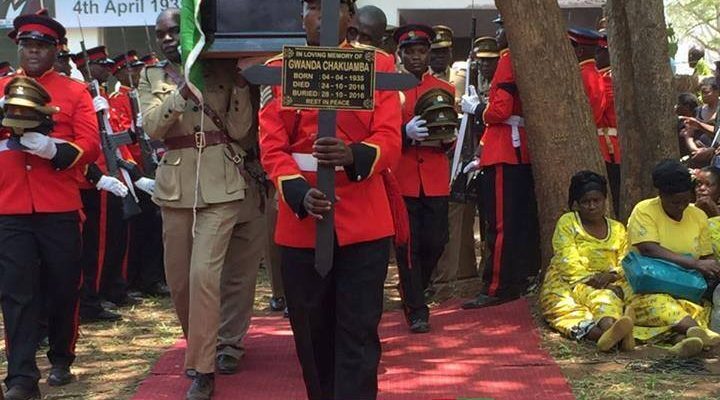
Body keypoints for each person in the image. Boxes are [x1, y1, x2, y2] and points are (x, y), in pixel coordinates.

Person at [259, 0, 401, 397]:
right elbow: (272, 146)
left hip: (363, 222)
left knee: (358, 333)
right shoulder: (279, 71)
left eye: (332, 6)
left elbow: (390, 138)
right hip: (302, 219)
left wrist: (355, 154)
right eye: (313, 7)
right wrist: (298, 192)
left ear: (350, 16)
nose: (321, 16)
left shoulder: (380, 67)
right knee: (312, 335)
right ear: (302, 16)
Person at [139, 8, 258, 399]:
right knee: (180, 281)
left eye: (176, 30)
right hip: (175, 185)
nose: (170, 38)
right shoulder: (151, 76)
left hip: (221, 185)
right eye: (162, 34)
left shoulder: (222, 71)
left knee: (204, 275)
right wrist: (180, 92)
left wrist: (240, 86)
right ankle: (202, 346)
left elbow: (241, 134)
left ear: (191, 32)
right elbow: (154, 126)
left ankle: (202, 369)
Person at [0, 12, 100, 399]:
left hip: (58, 203)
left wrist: (53, 148)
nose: (33, 51)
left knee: (62, 286)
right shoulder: (3, 87)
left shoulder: (75, 93)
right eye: (27, 44)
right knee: (16, 291)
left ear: (56, 50)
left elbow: (90, 144)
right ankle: (22, 377)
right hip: (9, 207)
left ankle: (61, 356)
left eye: (41, 45)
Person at [463, 15, 540, 309]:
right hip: (516, 149)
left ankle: (497, 286)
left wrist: (477, 108)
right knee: (515, 222)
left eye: (502, 27)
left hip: (505, 149)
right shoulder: (519, 58)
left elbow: (500, 111)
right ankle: (514, 280)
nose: (497, 33)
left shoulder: (509, 60)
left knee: (500, 225)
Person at [73, 45, 143, 323]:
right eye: (100, 64)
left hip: (112, 172)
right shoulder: (86, 95)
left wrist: (132, 170)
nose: (107, 68)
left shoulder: (101, 96)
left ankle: (110, 288)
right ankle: (94, 297)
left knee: (114, 239)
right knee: (97, 244)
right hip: (94, 175)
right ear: (86, 66)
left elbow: (116, 138)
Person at [627, 159, 720, 357]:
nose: (681, 207)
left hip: (686, 289)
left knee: (694, 309)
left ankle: (685, 340)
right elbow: (648, 249)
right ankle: (700, 334)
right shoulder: (644, 210)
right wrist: (694, 263)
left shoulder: (697, 216)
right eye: (674, 202)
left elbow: (707, 256)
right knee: (660, 306)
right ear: (661, 195)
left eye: (685, 201)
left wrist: (712, 267)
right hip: (646, 287)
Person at [394, 24, 453, 333]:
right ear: (400, 54)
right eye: (410, 52)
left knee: (436, 240)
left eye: (421, 51)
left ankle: (416, 288)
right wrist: (405, 134)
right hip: (403, 177)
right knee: (408, 245)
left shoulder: (446, 89)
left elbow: (450, 134)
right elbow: (385, 133)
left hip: (433, 176)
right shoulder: (390, 90)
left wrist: (446, 138)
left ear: (429, 53)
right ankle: (417, 308)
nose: (416, 57)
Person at [540, 171, 634, 351]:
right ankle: (610, 333)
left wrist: (611, 276)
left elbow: (626, 260)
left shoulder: (618, 228)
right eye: (586, 202)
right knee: (566, 309)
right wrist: (594, 281)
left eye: (596, 201)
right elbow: (567, 259)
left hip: (611, 280)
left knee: (627, 298)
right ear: (577, 204)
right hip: (570, 281)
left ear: (604, 200)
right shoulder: (568, 222)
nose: (592, 206)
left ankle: (614, 333)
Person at [108, 51, 170, 298]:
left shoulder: (139, 95)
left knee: (156, 226)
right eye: (131, 69)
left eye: (137, 68)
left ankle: (154, 276)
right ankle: (142, 278)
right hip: (133, 171)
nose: (135, 73)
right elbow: (123, 137)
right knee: (143, 229)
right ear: (120, 72)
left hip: (152, 164)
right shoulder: (118, 98)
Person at [595, 33, 621, 216]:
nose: (595, 56)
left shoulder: (607, 79)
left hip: (608, 145)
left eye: (599, 51)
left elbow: (597, 112)